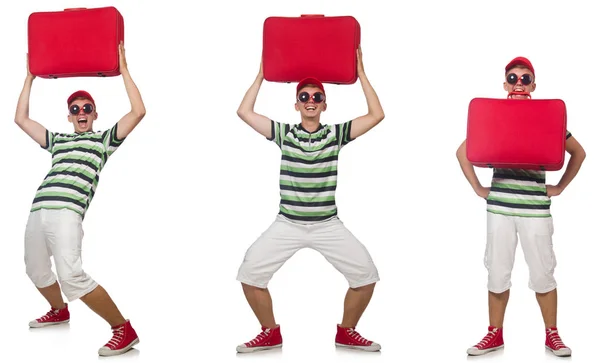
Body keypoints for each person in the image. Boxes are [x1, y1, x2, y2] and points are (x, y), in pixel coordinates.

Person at [235, 46, 384, 353]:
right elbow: (244, 112)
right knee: (249, 274)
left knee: (366, 275)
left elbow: (376, 115)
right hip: (287, 223)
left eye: (317, 97)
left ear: (325, 105)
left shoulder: (335, 134)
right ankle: (269, 333)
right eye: (305, 97)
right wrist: (261, 75)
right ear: (296, 105)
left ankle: (347, 332)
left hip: (327, 224)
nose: (311, 101)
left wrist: (363, 74)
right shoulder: (284, 133)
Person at [15, 41, 146, 357]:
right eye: (76, 109)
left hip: (67, 214)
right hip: (39, 209)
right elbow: (21, 119)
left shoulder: (103, 142)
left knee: (71, 275)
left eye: (87, 108)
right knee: (35, 269)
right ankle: (58, 310)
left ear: (95, 113)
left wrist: (124, 69)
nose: (81, 113)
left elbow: (138, 111)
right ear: (69, 116)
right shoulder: (57, 141)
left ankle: (123, 329)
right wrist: (30, 77)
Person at [456, 57, 586, 357]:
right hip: (499, 208)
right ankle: (494, 335)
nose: (518, 84)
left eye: (525, 79)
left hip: (535, 209)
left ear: (533, 86)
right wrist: (478, 188)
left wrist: (560, 186)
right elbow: (462, 152)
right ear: (505, 84)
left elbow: (578, 152)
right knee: (497, 273)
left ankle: (552, 335)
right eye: (512, 78)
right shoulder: (494, 116)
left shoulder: (547, 118)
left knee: (543, 273)